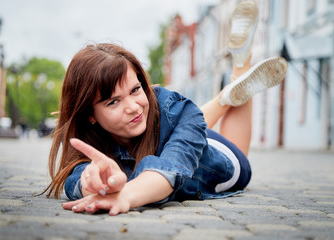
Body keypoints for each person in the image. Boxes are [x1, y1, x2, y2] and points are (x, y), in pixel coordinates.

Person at [44, 1, 287, 215]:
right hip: (178, 130)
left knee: (183, 117)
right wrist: (96, 183)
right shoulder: (90, 146)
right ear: (90, 116)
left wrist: (124, 194)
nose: (132, 107)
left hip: (219, 156)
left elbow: (168, 171)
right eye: (113, 101)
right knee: (179, 119)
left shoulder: (173, 107)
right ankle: (227, 94)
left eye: (135, 90)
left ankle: (240, 69)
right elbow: (76, 177)